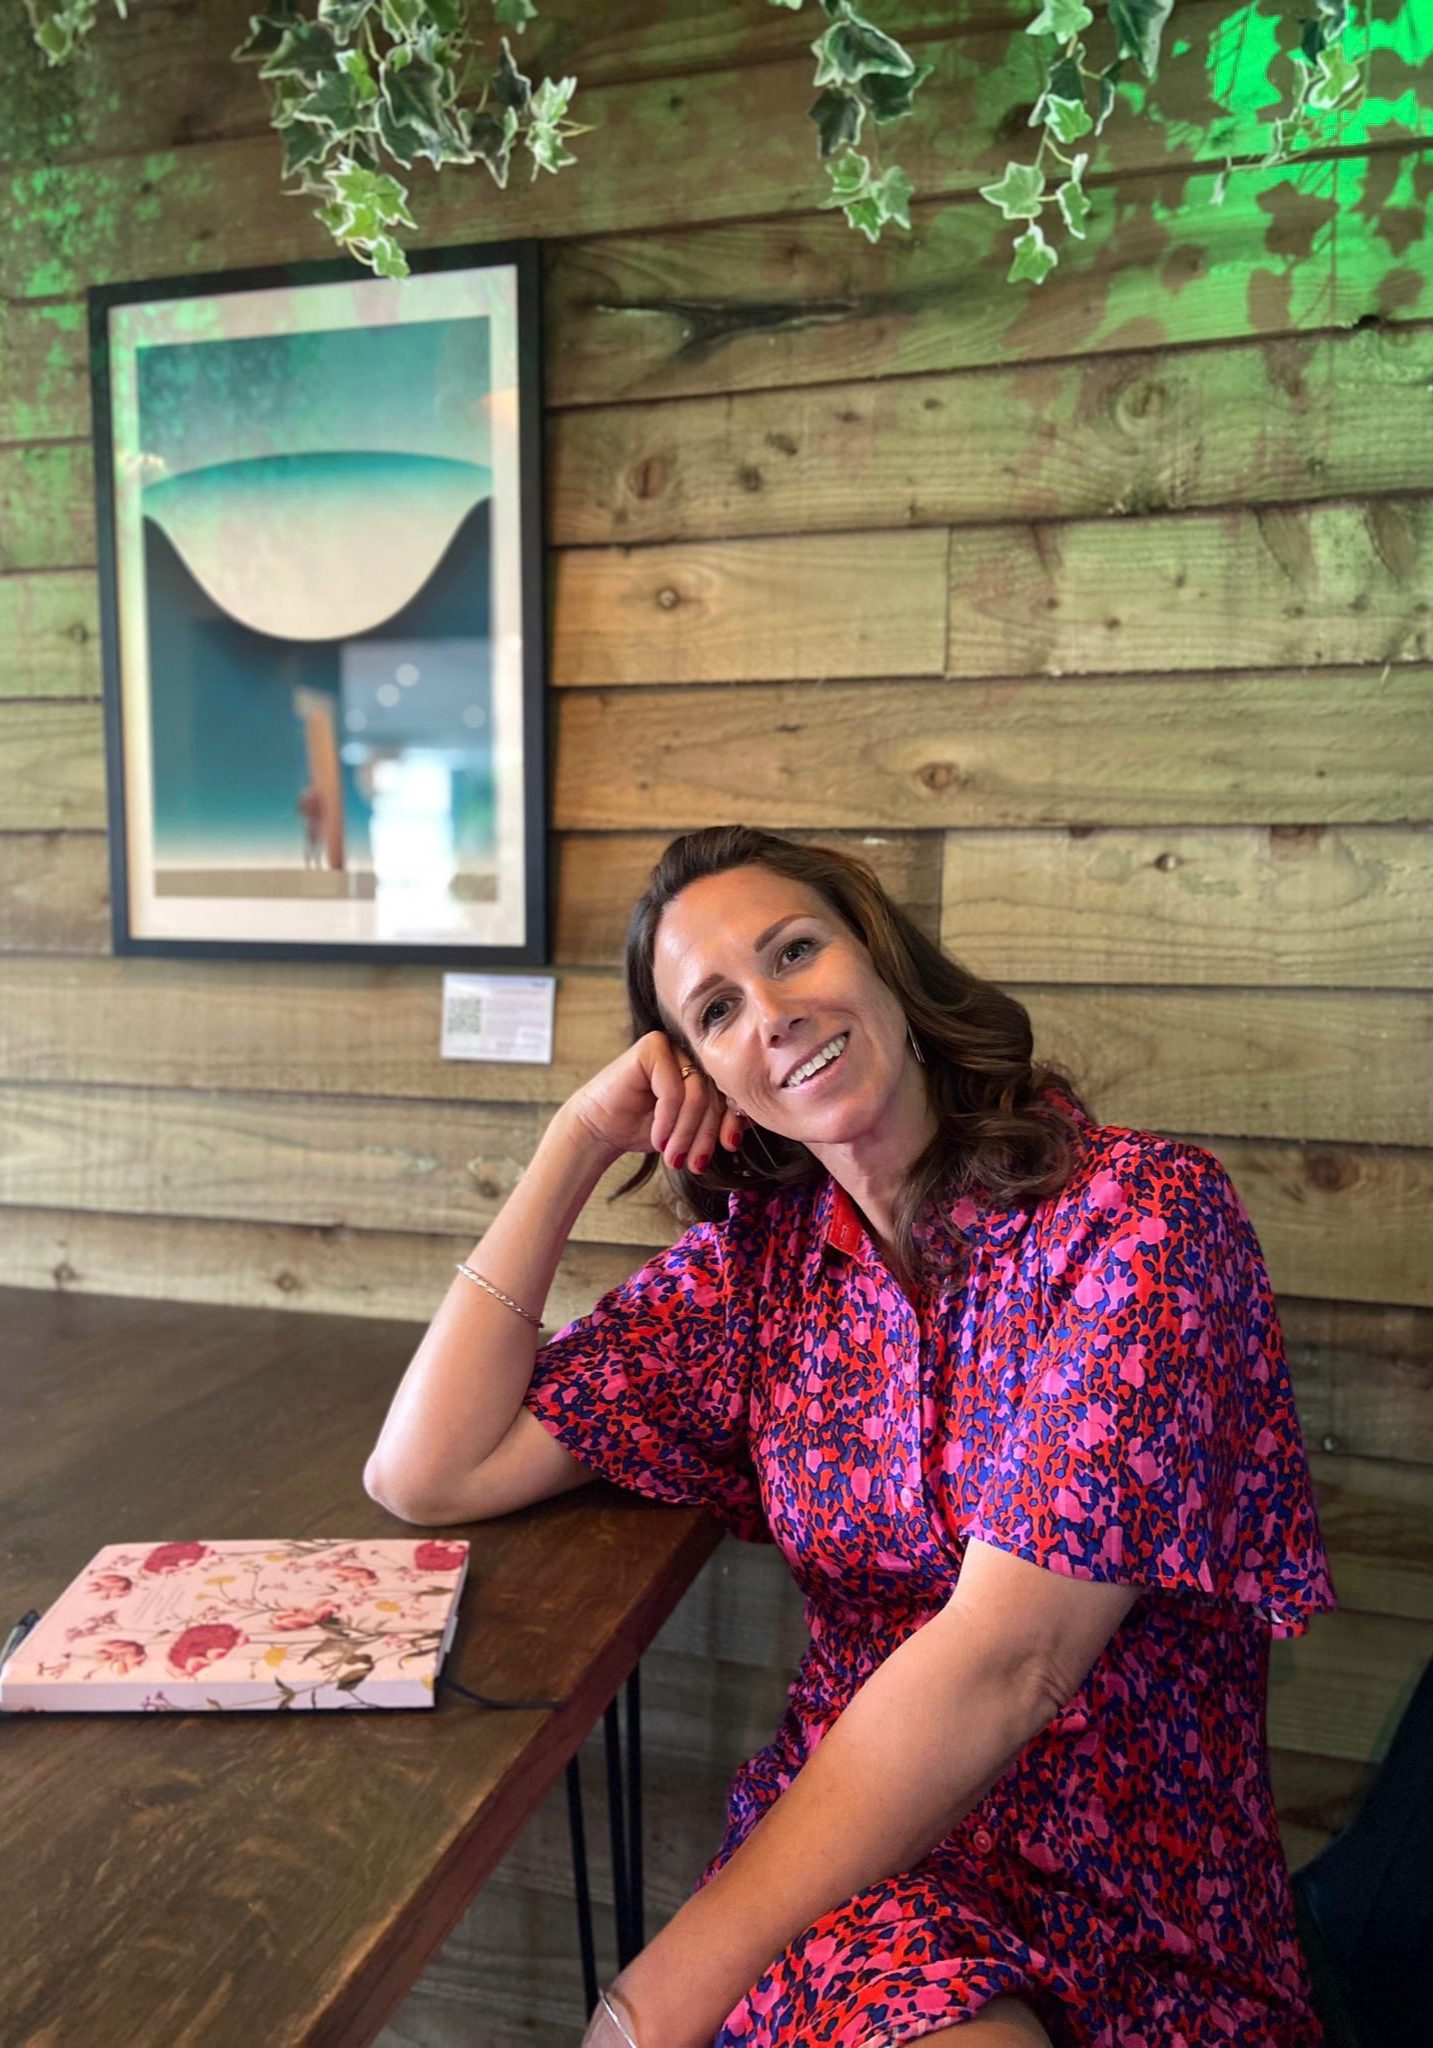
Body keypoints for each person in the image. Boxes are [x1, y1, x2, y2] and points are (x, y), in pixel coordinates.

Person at [363, 826, 1338, 2048]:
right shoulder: (756, 1271)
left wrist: (640, 2007)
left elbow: (1007, 1664)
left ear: (880, 959)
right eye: (715, 1008)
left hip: (1134, 1885)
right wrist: (573, 1142)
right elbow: (425, 1467)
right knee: (888, 1988)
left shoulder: (1136, 1219)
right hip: (852, 1877)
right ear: (703, 1075)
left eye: (794, 951)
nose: (768, 1013)